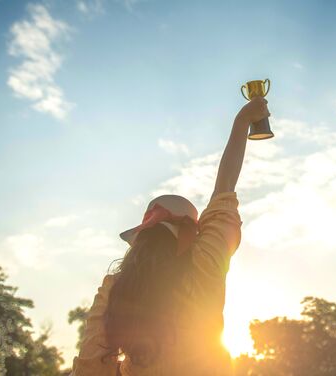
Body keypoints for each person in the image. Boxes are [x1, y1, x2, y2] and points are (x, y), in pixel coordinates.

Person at [70, 96, 270, 376]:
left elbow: (91, 367)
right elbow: (224, 187)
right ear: (193, 234)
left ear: (142, 237)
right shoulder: (205, 264)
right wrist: (242, 121)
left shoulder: (115, 286)